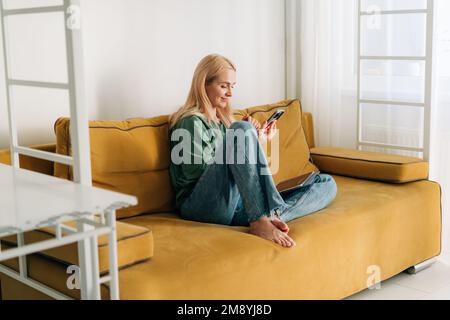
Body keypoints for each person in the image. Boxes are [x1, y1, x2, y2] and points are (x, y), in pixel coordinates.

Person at [168, 54, 337, 248]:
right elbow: (196, 176)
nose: (230, 93)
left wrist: (257, 142)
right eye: (224, 86)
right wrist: (240, 139)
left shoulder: (224, 122)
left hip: (234, 203)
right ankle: (259, 219)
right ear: (204, 84)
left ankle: (267, 217)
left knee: (326, 183)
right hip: (200, 206)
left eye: (233, 86)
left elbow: (246, 177)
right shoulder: (189, 122)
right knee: (242, 129)